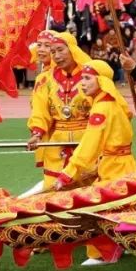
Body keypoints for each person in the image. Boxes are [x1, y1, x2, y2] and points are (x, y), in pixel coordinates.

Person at [53, 59, 136, 266]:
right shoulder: (112, 103)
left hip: (114, 166)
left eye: (88, 78)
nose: (82, 83)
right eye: (82, 78)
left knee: (95, 208)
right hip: (122, 163)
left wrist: (68, 173)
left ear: (100, 81)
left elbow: (89, 144)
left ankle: (101, 253)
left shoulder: (101, 108)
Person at [27, 31, 93, 189]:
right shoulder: (44, 79)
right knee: (53, 192)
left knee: (89, 191)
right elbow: (39, 110)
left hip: (88, 141)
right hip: (57, 145)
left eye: (60, 50)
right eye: (53, 52)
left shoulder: (91, 75)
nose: (56, 56)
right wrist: (37, 133)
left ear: (72, 50)